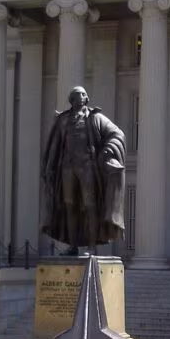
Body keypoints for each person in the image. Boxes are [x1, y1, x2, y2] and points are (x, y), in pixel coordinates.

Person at [41, 86, 127, 254]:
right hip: (67, 168)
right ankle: (73, 246)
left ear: (87, 99)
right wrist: (49, 167)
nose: (81, 97)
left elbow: (118, 134)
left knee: (90, 205)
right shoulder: (63, 120)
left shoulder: (96, 118)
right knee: (69, 206)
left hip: (87, 166)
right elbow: (55, 146)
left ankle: (92, 247)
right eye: (77, 95)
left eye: (83, 95)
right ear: (71, 100)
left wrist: (108, 150)